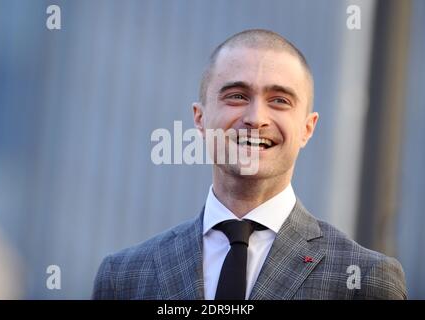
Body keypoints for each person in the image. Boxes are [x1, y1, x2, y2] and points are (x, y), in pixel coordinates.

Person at [92, 29, 407, 300]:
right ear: (199, 120)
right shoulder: (123, 277)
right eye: (237, 96)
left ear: (307, 128)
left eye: (280, 100)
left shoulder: (364, 279)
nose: (256, 118)